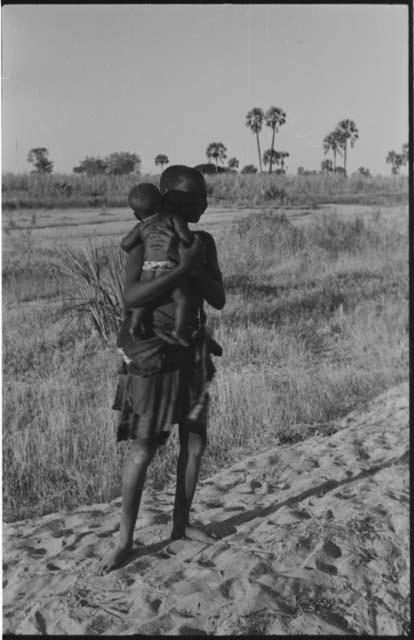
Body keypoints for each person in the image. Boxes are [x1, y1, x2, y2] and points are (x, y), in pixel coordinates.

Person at [100, 165, 225, 574]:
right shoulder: (148, 237)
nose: (202, 205)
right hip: (153, 353)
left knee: (195, 442)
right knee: (143, 447)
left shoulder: (202, 242)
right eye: (193, 199)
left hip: (192, 352)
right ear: (168, 198)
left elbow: (218, 298)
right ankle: (124, 540)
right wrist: (183, 268)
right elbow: (131, 295)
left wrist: (194, 263)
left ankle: (181, 525)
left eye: (204, 197)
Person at [120, 182, 195, 346]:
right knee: (182, 298)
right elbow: (186, 237)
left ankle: (135, 325)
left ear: (135, 215)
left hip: (148, 268)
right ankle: (180, 330)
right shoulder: (172, 218)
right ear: (162, 203)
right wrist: (190, 243)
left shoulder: (141, 226)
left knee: (144, 299)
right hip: (168, 267)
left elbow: (125, 244)